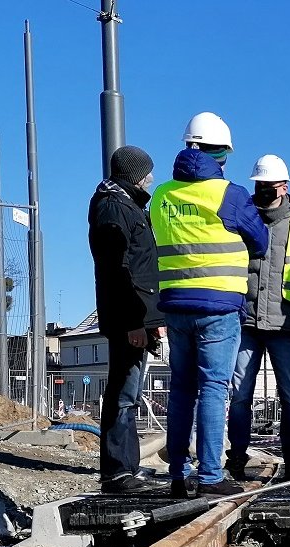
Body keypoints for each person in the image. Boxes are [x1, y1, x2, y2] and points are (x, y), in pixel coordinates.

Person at [151, 112, 269, 498]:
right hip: (218, 307)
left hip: (175, 307)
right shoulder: (229, 194)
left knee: (182, 389)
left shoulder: (162, 196)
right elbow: (261, 241)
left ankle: (178, 475)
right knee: (214, 389)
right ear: (222, 152)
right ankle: (210, 476)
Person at [226, 154, 290, 481]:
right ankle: (236, 458)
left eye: (269, 185)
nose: (263, 190)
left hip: (285, 324)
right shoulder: (242, 219)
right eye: (260, 185)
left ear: (284, 186)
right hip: (247, 321)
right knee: (240, 395)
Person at [88, 144, 162, 494]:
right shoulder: (115, 209)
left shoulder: (124, 205)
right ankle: (118, 472)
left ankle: (126, 466)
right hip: (126, 318)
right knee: (123, 393)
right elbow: (118, 270)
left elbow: (141, 270)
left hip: (135, 315)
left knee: (128, 392)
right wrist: (135, 321)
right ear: (135, 175)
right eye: (147, 173)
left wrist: (151, 319)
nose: (152, 179)